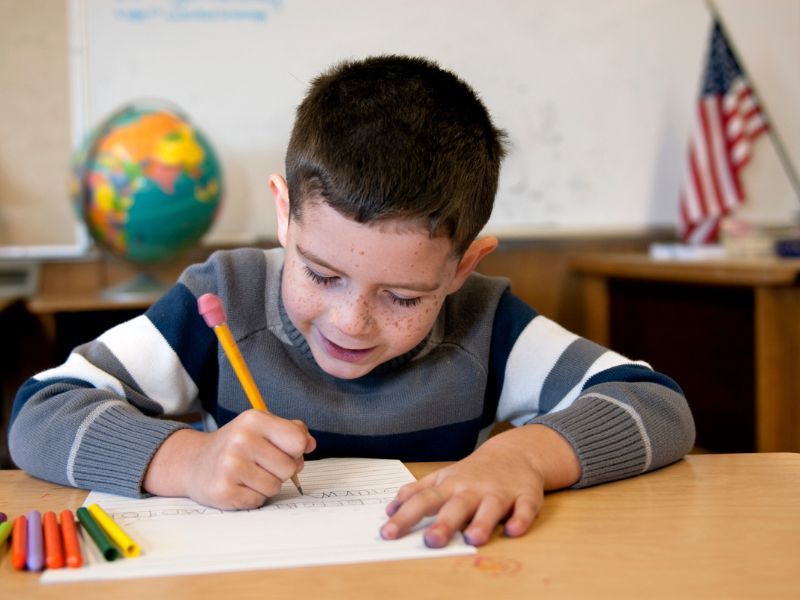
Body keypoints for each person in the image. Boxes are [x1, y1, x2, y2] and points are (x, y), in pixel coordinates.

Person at [9, 55, 694, 548]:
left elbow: (654, 405)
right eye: (321, 274)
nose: (349, 322)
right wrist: (191, 462)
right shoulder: (223, 299)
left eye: (402, 296)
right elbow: (41, 413)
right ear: (286, 216)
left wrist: (520, 459)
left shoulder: (486, 324)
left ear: (463, 268)